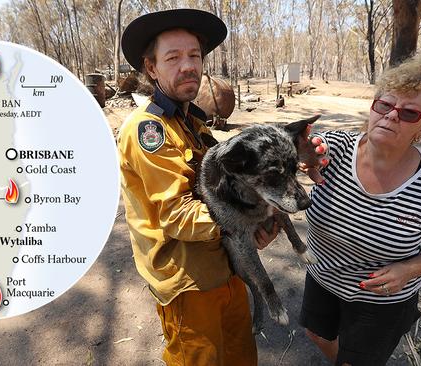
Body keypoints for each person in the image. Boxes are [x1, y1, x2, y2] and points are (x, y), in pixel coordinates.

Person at [117, 9, 323, 365]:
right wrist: (252, 222)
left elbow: (232, 178)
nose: (188, 66)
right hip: (187, 282)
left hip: (226, 266)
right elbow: (177, 216)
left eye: (194, 55)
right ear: (151, 68)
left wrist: (291, 155)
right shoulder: (148, 131)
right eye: (173, 57)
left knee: (242, 356)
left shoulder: (192, 121)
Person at [300, 55, 421, 366]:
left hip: (382, 300)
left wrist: (408, 270)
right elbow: (308, 149)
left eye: (408, 113)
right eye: (384, 105)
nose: (391, 116)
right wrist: (300, 152)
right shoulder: (334, 150)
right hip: (323, 277)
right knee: (318, 335)